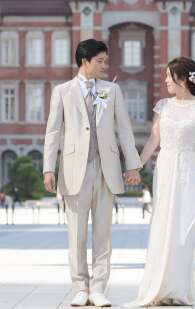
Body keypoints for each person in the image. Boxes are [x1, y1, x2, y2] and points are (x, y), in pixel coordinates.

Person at [42, 39, 142, 308]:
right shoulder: (62, 92)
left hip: (106, 169)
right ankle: (79, 288)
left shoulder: (112, 90)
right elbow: (53, 132)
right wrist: (48, 168)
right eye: (99, 61)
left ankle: (98, 289)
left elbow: (124, 129)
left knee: (103, 234)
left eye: (104, 61)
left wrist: (132, 164)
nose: (103, 66)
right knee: (76, 235)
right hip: (74, 170)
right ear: (85, 61)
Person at [124, 57, 195, 307]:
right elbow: (153, 141)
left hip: (188, 169)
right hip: (165, 169)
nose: (165, 80)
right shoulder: (162, 106)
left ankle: (179, 290)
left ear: (183, 79)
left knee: (184, 230)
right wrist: (137, 166)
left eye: (168, 76)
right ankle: (159, 288)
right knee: (163, 226)